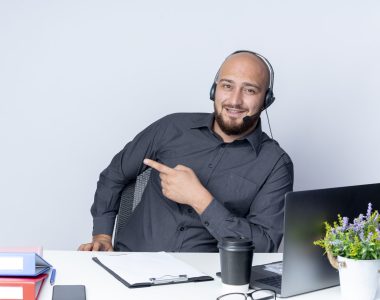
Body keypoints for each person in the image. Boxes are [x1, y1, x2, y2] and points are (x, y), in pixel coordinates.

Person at [78, 50, 294, 253]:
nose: (235, 100)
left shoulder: (275, 164)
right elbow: (114, 175)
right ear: (214, 90)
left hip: (207, 281)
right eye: (227, 86)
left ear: (267, 99)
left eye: (249, 90)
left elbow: (264, 245)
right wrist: (103, 235)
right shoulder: (171, 128)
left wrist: (200, 199)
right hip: (131, 263)